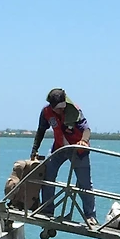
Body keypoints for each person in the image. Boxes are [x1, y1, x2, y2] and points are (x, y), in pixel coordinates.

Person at [31, 88, 95, 227]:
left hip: (78, 150)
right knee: (48, 175)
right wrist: (34, 149)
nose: (60, 111)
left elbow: (86, 129)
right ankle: (47, 210)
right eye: (58, 109)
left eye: (62, 108)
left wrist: (84, 141)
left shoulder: (74, 110)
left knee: (84, 184)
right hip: (59, 147)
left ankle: (90, 215)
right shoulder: (46, 112)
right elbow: (41, 130)